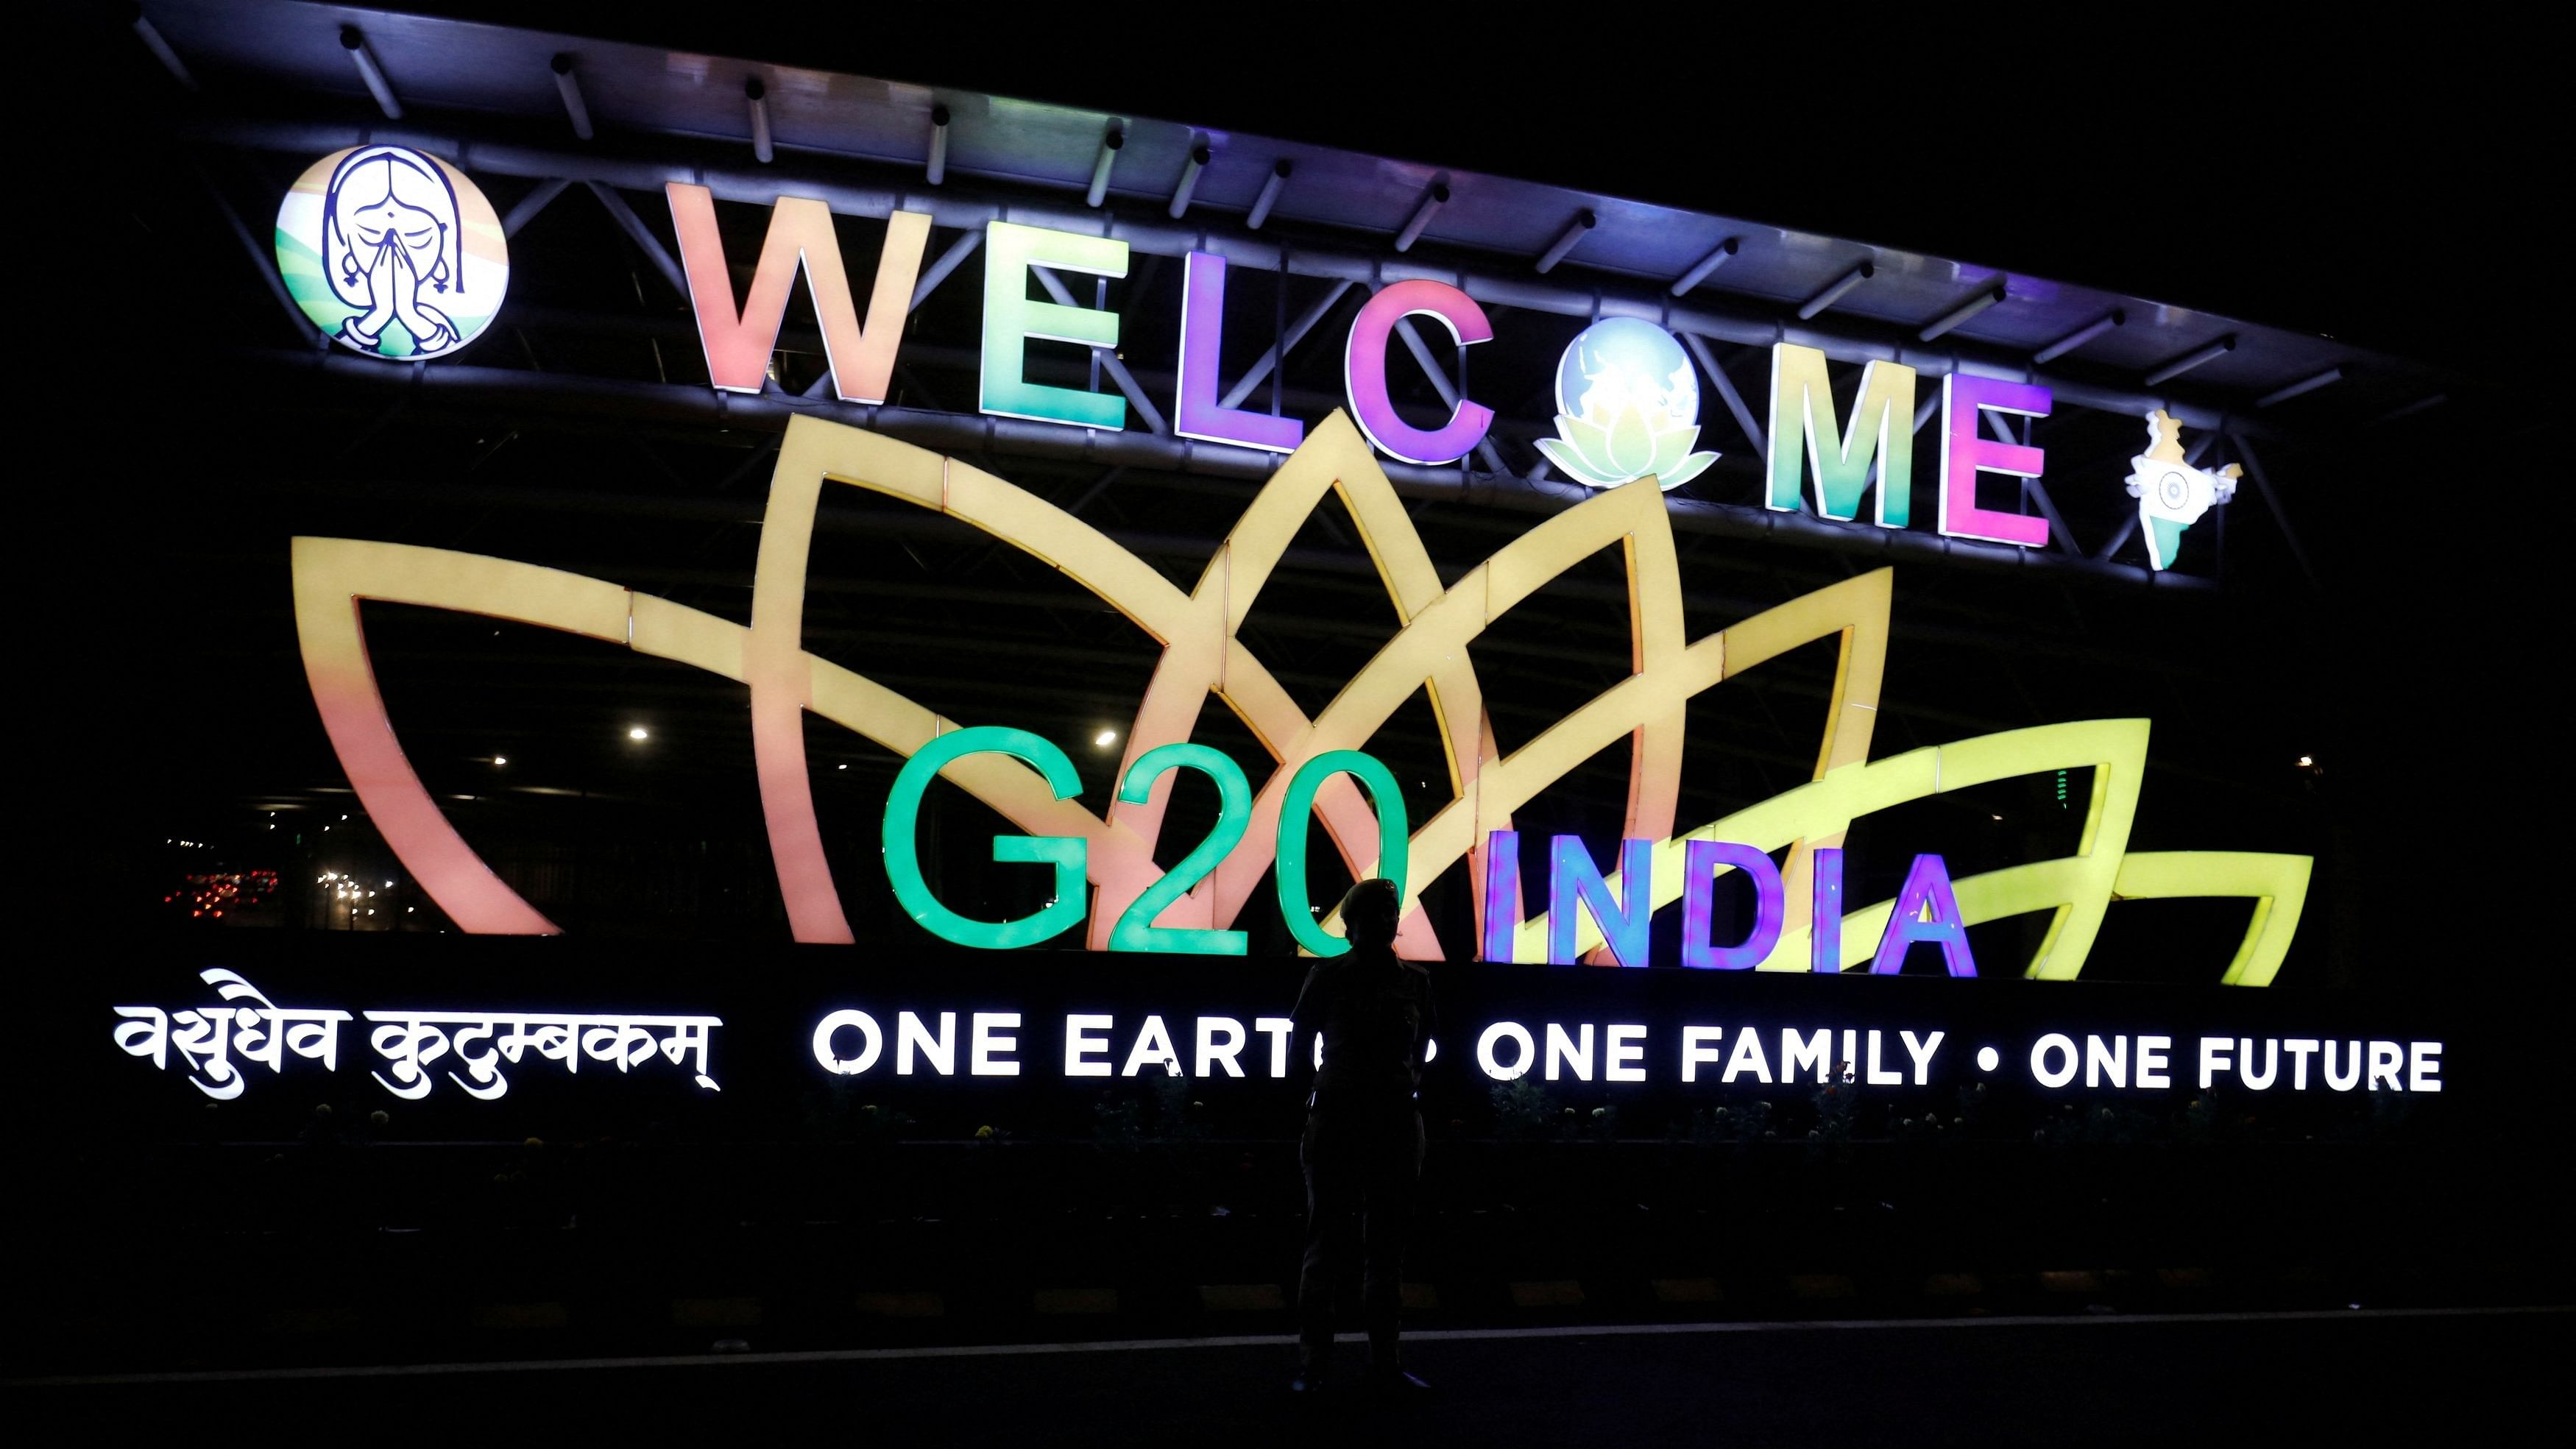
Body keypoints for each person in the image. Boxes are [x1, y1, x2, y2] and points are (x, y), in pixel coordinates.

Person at [1289, 877, 1434, 1394]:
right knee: (1328, 1244)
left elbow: (1425, 1048)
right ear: (1351, 925)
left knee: (1386, 1248)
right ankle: (1315, 1365)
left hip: (1391, 1122)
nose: (1385, 920)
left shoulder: (1415, 982)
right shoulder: (1327, 977)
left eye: (1390, 911)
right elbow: (1298, 1045)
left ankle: (1384, 1363)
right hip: (1341, 1120)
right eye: (1374, 913)